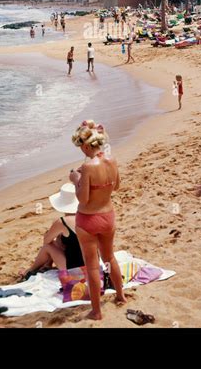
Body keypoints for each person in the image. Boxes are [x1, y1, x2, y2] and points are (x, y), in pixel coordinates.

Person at [70, 120, 126, 320]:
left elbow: (83, 199)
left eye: (81, 148)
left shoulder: (86, 167)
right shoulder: (112, 159)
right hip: (108, 215)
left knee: (92, 266)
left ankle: (96, 311)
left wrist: (76, 179)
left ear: (86, 146)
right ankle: (120, 296)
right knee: (109, 258)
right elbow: (116, 186)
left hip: (88, 219)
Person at [18, 183, 84, 281]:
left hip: (75, 271)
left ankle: (29, 271)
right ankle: (47, 264)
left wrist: (51, 233)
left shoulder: (63, 222)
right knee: (60, 239)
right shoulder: (87, 216)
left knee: (48, 246)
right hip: (92, 267)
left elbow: (46, 241)